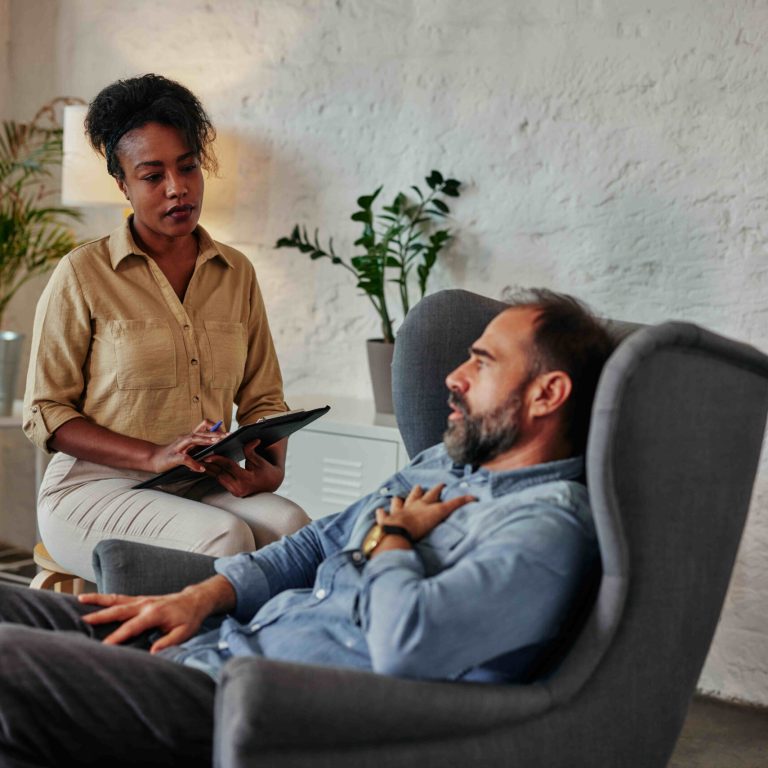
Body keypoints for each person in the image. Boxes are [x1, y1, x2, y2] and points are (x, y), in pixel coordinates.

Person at [1, 289, 614, 767]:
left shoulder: (546, 527)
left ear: (547, 393)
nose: (454, 378)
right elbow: (320, 539)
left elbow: (408, 644)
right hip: (217, 641)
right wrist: (198, 598)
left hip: (249, 709)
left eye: (482, 363)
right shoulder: (442, 464)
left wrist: (393, 540)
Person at [22, 74, 308, 581]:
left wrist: (270, 467)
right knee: (225, 538)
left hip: (196, 482)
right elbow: (46, 411)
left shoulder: (236, 272)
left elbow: (263, 398)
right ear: (123, 185)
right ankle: (197, 638)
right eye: (153, 176)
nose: (178, 188)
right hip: (90, 488)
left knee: (293, 529)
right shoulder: (83, 274)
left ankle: (273, 636)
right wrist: (153, 455)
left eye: (188, 167)